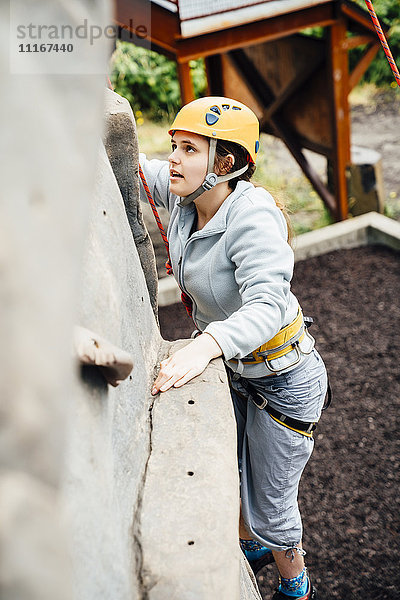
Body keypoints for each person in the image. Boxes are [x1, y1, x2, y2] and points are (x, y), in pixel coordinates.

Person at [139, 96, 327, 600]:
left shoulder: (252, 218)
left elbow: (268, 305)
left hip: (284, 381)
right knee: (236, 470)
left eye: (189, 149)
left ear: (226, 164)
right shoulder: (186, 196)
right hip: (240, 369)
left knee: (271, 501)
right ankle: (251, 549)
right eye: (174, 145)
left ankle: (295, 584)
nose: (173, 158)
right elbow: (136, 167)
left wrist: (205, 347)